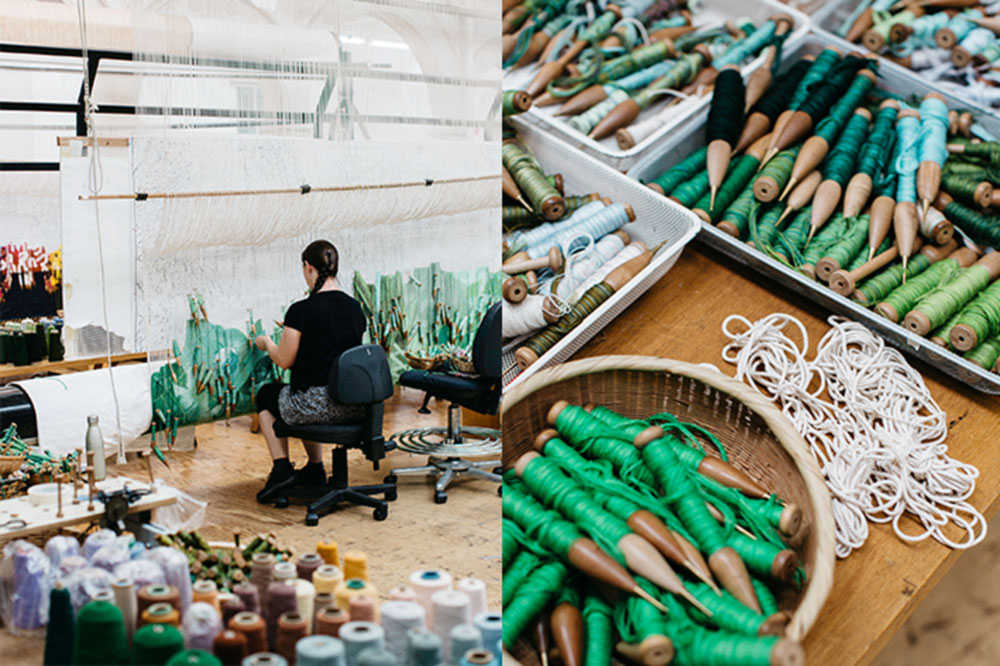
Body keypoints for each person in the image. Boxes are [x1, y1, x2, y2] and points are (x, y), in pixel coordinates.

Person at [253, 239, 367, 503]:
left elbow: (284, 360)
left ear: (308, 267)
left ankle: (281, 469)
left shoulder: (301, 310)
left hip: (315, 407)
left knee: (266, 395)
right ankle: (315, 469)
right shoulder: (355, 309)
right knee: (300, 389)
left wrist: (266, 343)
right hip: (354, 405)